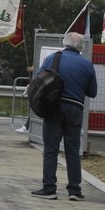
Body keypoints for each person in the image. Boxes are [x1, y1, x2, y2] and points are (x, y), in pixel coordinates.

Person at [32, 31, 97, 200]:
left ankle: (49, 189)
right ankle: (74, 190)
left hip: (54, 107)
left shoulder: (52, 59)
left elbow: (39, 80)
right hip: (75, 109)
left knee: (50, 150)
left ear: (64, 43)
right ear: (81, 47)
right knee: (72, 151)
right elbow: (93, 92)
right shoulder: (87, 64)